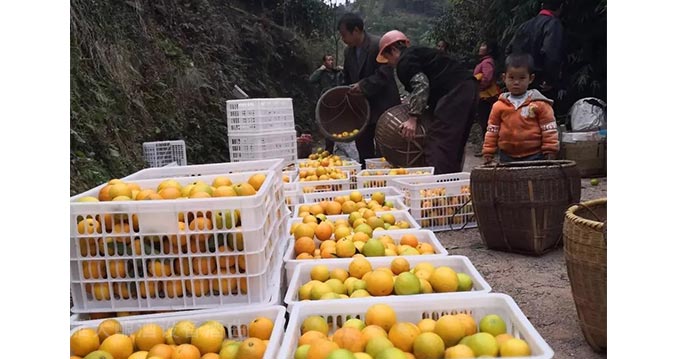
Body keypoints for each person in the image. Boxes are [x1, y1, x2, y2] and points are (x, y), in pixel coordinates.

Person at [377, 30, 479, 174]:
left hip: (454, 92)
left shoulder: (404, 62)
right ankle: (452, 183)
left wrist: (413, 118)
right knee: (454, 143)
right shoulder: (418, 53)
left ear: (393, 50)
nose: (389, 63)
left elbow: (421, 84)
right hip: (469, 87)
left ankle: (437, 189)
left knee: (438, 143)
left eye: (387, 57)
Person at [338, 13, 401, 168]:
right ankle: (366, 179)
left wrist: (363, 85)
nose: (343, 39)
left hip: (382, 105)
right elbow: (347, 76)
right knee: (363, 146)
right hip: (362, 109)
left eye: (344, 34)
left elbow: (385, 73)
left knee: (385, 149)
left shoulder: (378, 45)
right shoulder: (349, 52)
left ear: (357, 31)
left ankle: (386, 182)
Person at [481, 53, 559, 164]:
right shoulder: (498, 106)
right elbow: (492, 130)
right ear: (504, 78)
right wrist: (488, 152)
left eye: (522, 78)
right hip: (506, 156)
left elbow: (549, 128)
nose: (516, 82)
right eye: (511, 78)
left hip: (535, 156)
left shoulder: (539, 104)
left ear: (531, 79)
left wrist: (550, 150)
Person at [506, 0, 565, 102]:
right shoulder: (553, 24)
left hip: (522, 79)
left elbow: (509, 50)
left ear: (542, 5)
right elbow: (551, 54)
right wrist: (550, 80)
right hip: (541, 82)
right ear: (560, 8)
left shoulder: (525, 25)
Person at [308, 54, 347, 155]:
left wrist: (343, 70)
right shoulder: (322, 74)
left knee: (340, 124)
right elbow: (311, 80)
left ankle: (342, 146)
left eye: (332, 60)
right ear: (324, 62)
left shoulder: (337, 73)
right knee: (328, 125)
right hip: (326, 103)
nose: (331, 62)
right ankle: (329, 149)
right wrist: (320, 70)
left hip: (338, 102)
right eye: (329, 60)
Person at [473, 41, 501, 157]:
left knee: (485, 122)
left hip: (486, 97)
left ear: (489, 49)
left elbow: (487, 78)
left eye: (483, 45)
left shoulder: (487, 62)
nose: (480, 47)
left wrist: (477, 86)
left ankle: (488, 148)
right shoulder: (485, 61)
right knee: (485, 122)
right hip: (484, 96)